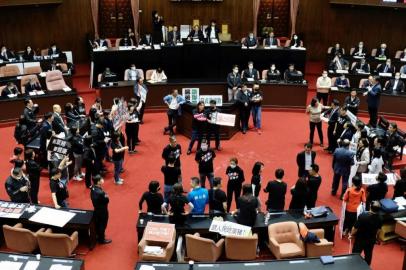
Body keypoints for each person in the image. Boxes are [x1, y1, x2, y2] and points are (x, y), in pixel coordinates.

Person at [349, 201, 382, 265]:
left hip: (360, 240)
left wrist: (351, 234)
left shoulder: (363, 216)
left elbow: (355, 228)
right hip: (371, 240)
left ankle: (353, 266)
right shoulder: (380, 218)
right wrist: (376, 237)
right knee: (368, 255)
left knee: (355, 255)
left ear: (370, 207)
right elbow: (379, 230)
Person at [90, 175, 111, 244]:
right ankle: (101, 239)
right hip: (102, 210)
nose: (102, 180)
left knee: (98, 223)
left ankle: (98, 236)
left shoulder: (92, 188)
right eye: (101, 179)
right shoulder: (101, 193)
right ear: (98, 182)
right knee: (103, 224)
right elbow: (107, 200)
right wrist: (106, 196)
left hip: (96, 209)